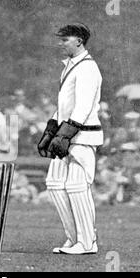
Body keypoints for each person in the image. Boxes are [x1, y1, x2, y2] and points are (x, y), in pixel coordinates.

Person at [37, 23, 102, 255]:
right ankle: (74, 239)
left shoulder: (87, 68)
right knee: (55, 184)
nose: (60, 43)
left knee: (76, 186)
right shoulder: (70, 66)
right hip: (68, 133)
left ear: (79, 41)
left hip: (83, 136)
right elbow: (65, 106)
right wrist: (50, 131)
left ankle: (87, 243)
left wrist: (65, 134)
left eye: (65, 39)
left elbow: (84, 106)